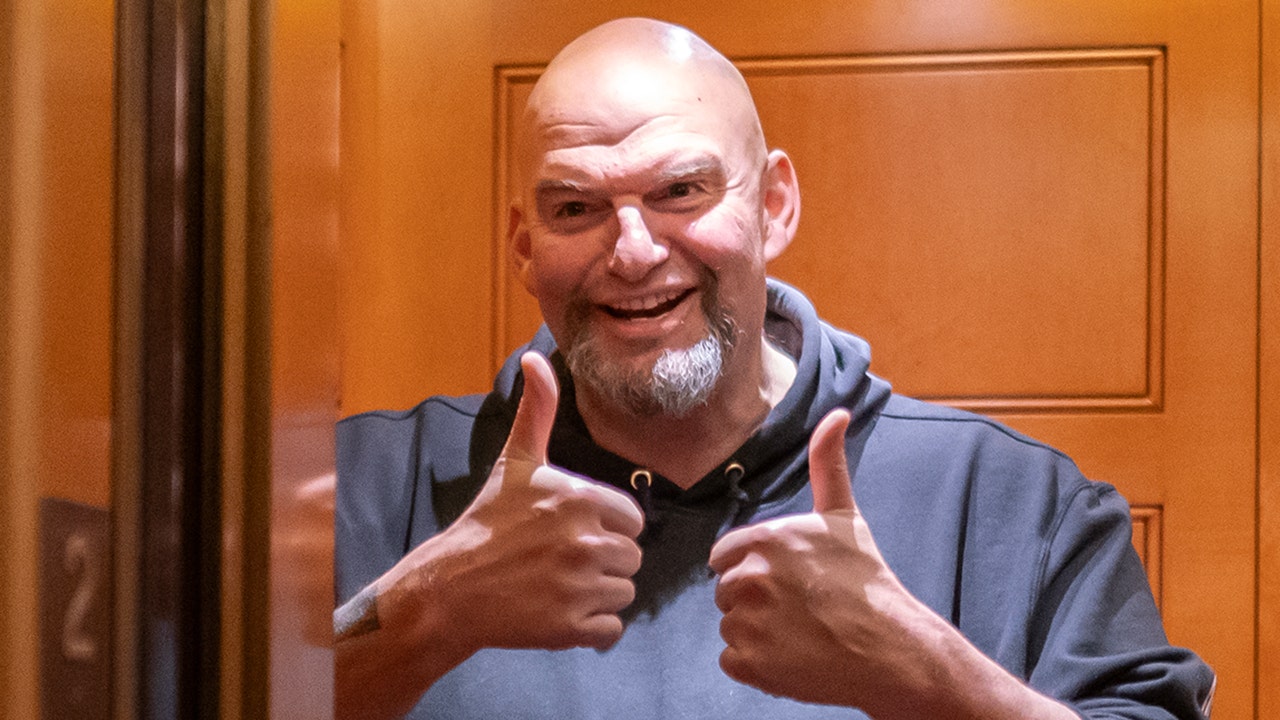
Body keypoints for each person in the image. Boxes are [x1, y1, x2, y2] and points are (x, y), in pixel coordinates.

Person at [334, 17, 1215, 720]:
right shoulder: (355, 489)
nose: (633, 252)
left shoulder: (1016, 506)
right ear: (525, 247)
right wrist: (423, 614)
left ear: (774, 205)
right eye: (575, 207)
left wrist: (928, 679)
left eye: (681, 190)